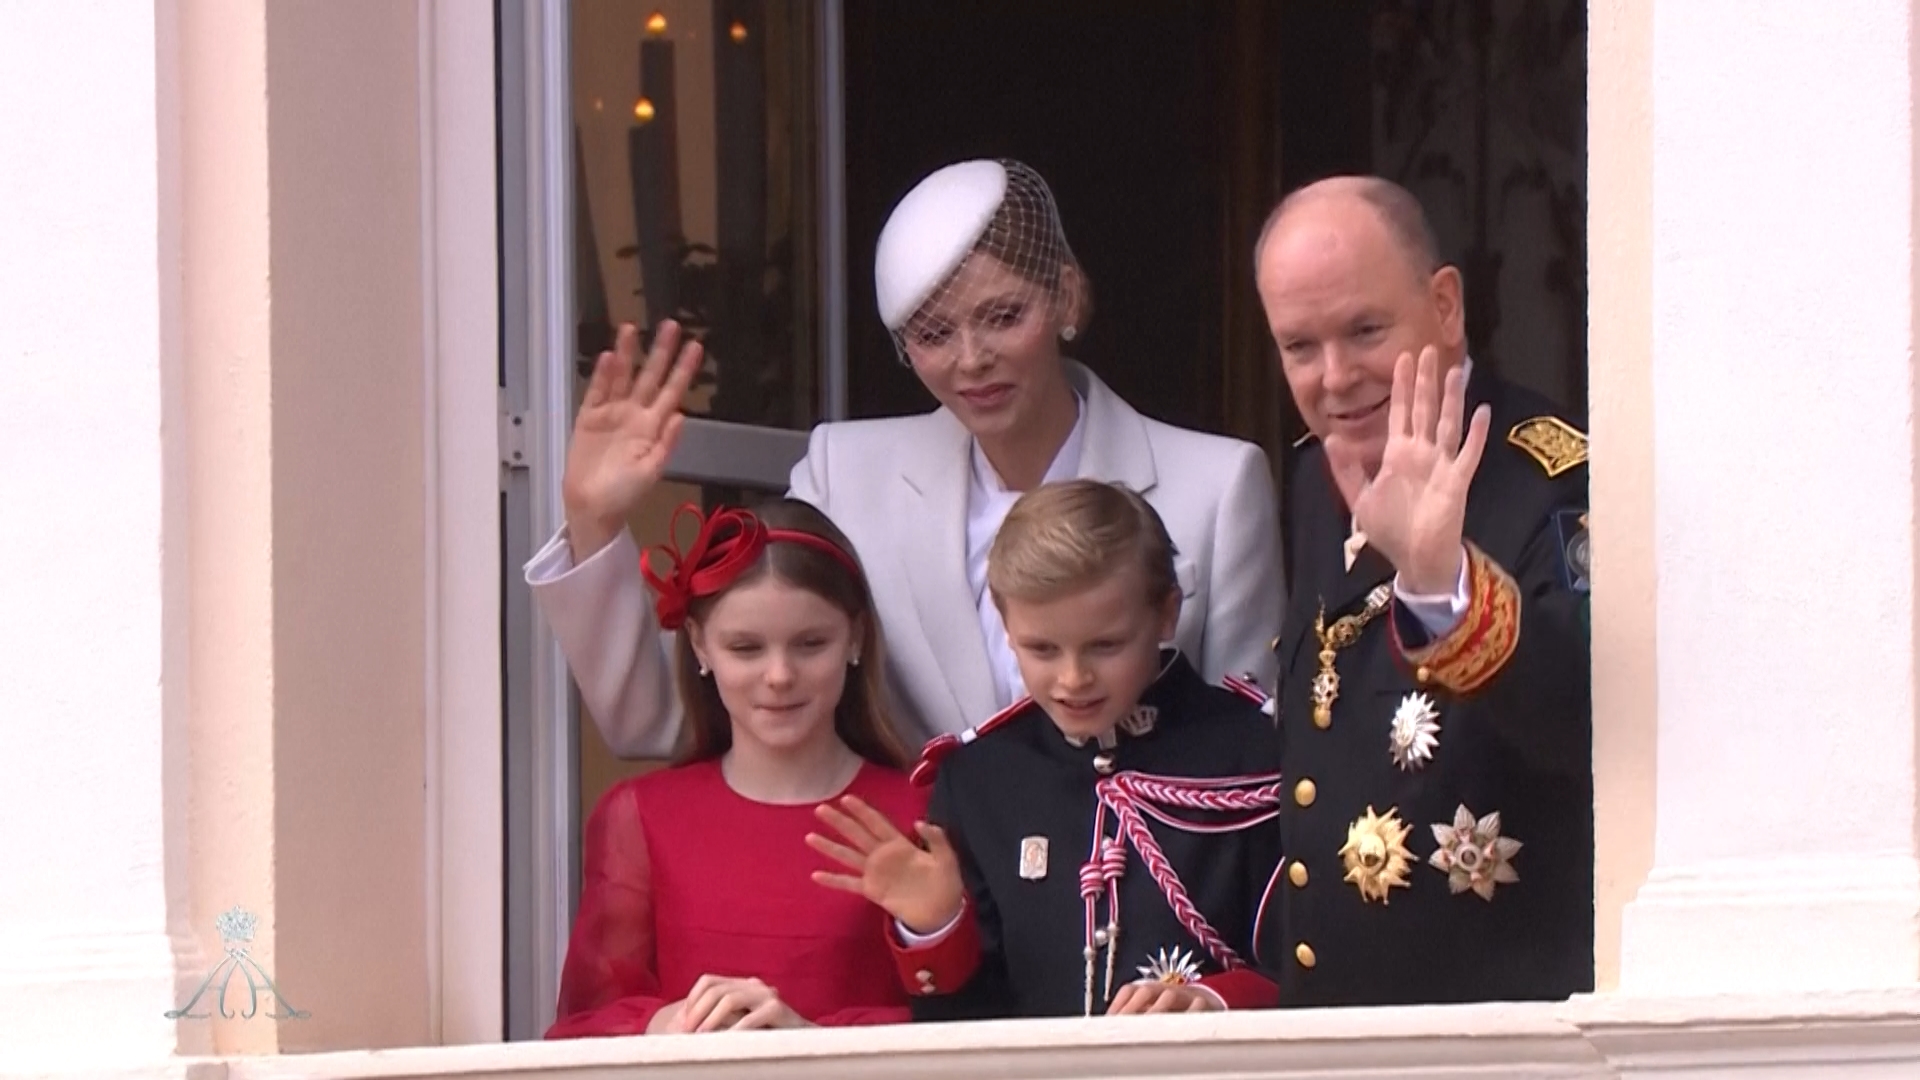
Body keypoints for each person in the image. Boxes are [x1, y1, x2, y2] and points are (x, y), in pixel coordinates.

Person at [526, 158, 1283, 759]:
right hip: (908, 922)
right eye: (932, 333)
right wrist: (594, 521)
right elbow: (672, 715)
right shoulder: (846, 477)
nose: (971, 359)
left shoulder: (1217, 485)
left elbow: (1246, 762)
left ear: (1067, 298)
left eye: (1003, 315)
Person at [1251, 175, 1592, 1006]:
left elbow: (1586, 725)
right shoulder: (1308, 476)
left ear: (1445, 305)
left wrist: (1444, 583)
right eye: (1300, 346)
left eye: (1366, 330)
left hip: (1499, 1035)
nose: (1335, 377)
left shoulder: (1549, 476)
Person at [806, 480, 1286, 1019]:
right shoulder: (982, 778)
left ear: (1167, 614)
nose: (1073, 677)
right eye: (1041, 648)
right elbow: (968, 1028)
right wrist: (937, 925)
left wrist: (1218, 1001)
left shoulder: (1259, 753)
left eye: (1105, 645)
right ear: (1006, 625)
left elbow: (1320, 966)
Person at [545, 499, 925, 1037]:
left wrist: (815, 1044)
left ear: (856, 637)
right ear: (700, 645)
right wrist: (670, 1024)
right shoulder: (641, 816)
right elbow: (580, 1029)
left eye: (810, 644)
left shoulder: (921, 809)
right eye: (745, 648)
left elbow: (970, 1021)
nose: (779, 675)